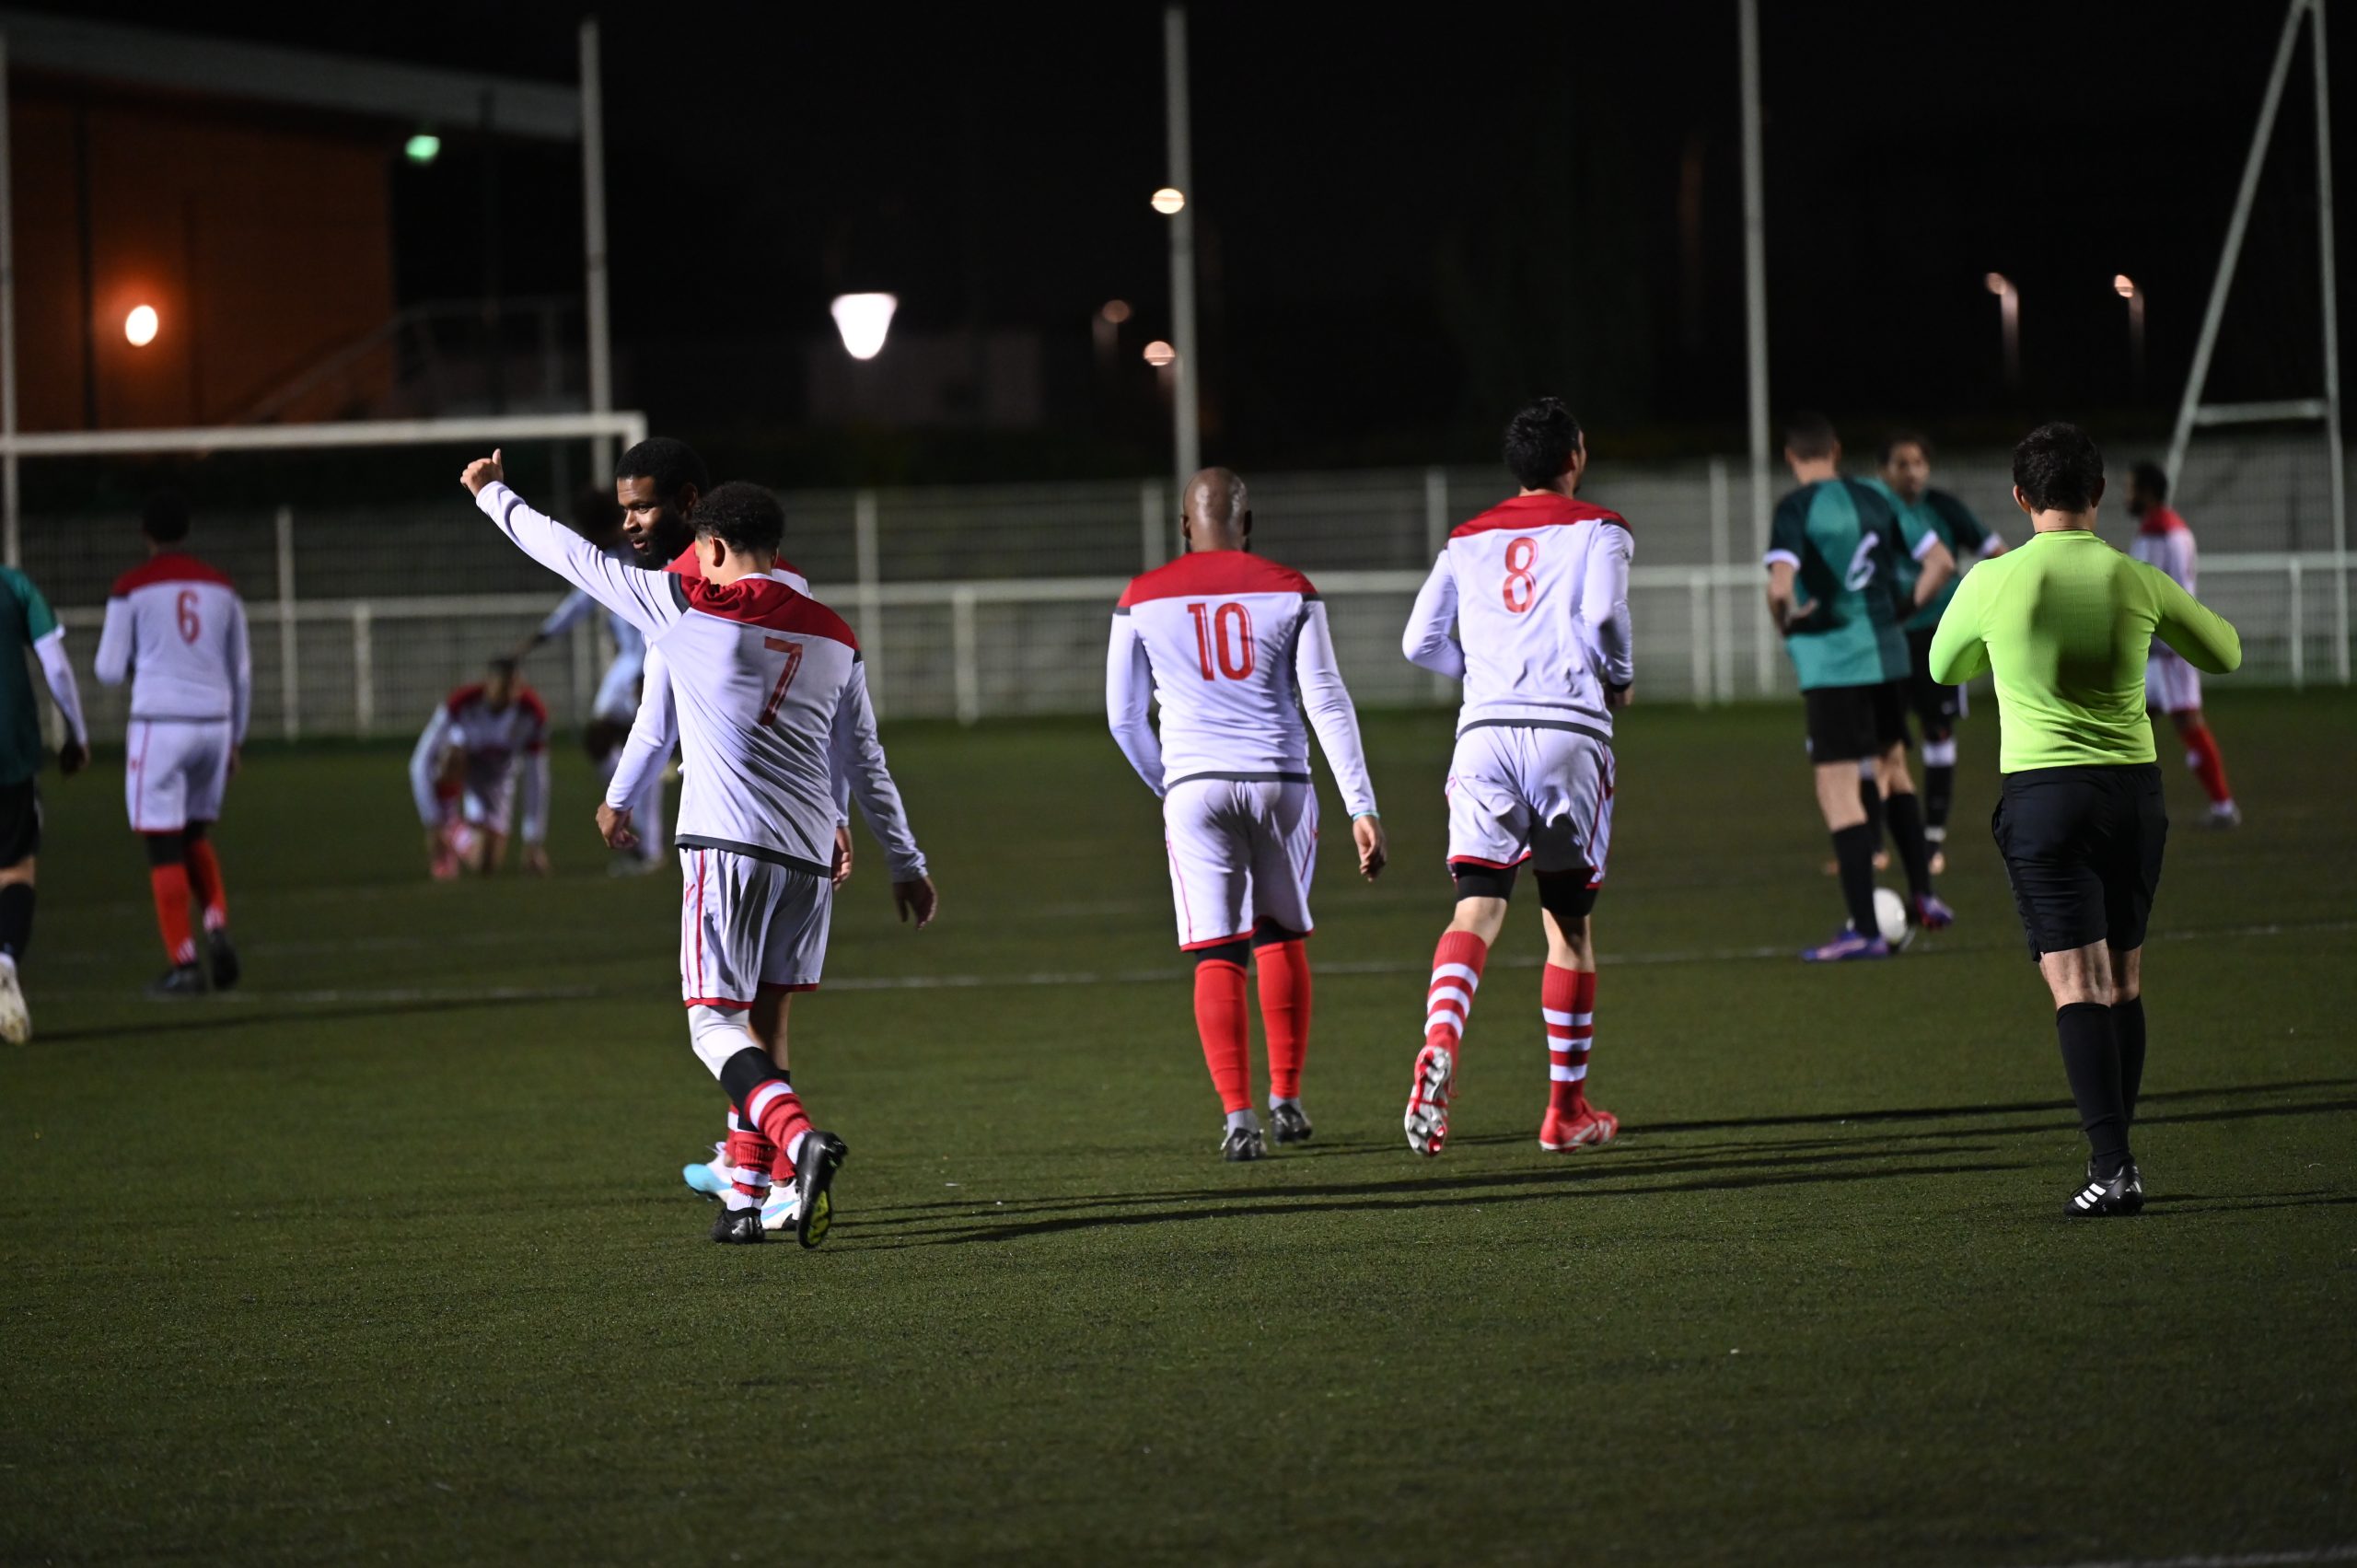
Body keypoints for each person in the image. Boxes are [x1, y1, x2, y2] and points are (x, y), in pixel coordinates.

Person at [463, 452, 937, 1249]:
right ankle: (748, 1197)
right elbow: (863, 756)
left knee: (713, 1024)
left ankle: (796, 1144)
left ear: (710, 544)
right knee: (764, 1022)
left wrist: (492, 495)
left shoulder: (684, 603)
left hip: (726, 844)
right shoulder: (835, 632)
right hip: (810, 859)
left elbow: (568, 555)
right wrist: (907, 861)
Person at [1930, 423, 2241, 1216]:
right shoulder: (2135, 577)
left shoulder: (1993, 580)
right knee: (2123, 982)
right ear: (2098, 493)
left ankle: (2113, 1167)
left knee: (2076, 984)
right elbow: (2226, 653)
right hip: (2135, 796)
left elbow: (1943, 665)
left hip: (2047, 797)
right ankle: (2118, 1157)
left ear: (2020, 497)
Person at [1106, 467, 1387, 1161]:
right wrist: (1361, 803)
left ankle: (1239, 1119)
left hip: (1195, 785)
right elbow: (1325, 697)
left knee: (1217, 949)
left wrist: (1171, 785)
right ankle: (1286, 1100)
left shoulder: (1141, 596)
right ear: (1248, 523)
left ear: (1183, 526)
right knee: (1279, 934)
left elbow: (1123, 717)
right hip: (1280, 780)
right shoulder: (1290, 587)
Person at [1398, 398, 1631, 1157]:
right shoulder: (1600, 527)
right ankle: (1565, 1113)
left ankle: (1440, 1036)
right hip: (1568, 734)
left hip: (1484, 737)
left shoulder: (1466, 538)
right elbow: (1604, 616)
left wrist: (1481, 674)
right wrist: (1619, 676)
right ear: (1575, 456)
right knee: (1568, 923)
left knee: (1475, 909)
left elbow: (1418, 641)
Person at [1764, 412, 1956, 961]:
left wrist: (1787, 625)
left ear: (1791, 457)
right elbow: (1941, 562)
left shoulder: (1796, 508)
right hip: (1888, 656)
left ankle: (1865, 929)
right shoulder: (1876, 495)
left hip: (1835, 666)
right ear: (1836, 449)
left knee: (1837, 788)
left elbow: (1780, 588)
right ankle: (1925, 896)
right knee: (1893, 768)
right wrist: (1901, 612)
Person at [94, 492, 250, 997]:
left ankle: (184, 964)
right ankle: (217, 925)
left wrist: (147, 661)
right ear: (186, 532)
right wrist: (237, 737)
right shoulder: (221, 586)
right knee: (195, 835)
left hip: (160, 723)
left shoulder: (132, 587)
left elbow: (108, 669)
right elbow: (242, 672)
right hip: (215, 724)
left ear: (146, 534)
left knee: (163, 845)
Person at [516, 486, 668, 872]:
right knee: (607, 742)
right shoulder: (611, 557)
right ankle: (642, 827)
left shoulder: (642, 557)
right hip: (629, 664)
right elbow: (581, 601)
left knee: (639, 746)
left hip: (650, 661)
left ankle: (649, 845)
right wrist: (539, 638)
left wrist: (649, 673)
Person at [1876, 432, 2005, 872]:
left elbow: (1998, 554)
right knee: (1883, 741)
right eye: (1901, 463)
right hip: (1889, 638)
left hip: (1939, 635)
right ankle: (1874, 843)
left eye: (1918, 463)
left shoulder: (1945, 509)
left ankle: (1932, 838)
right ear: (1884, 470)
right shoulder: (1875, 512)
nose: (1912, 472)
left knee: (1938, 731)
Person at [0, 563, 90, 1041]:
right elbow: (55, 665)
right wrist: (78, 732)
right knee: (15, 870)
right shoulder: (13, 586)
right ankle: (4, 959)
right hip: (9, 753)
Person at [2127, 461, 2241, 828]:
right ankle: (2119, 805)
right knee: (2131, 723)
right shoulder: (2175, 529)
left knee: (2177, 723)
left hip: (2166, 652)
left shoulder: (2158, 533)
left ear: (2147, 492)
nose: (2127, 496)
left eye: (2131, 488)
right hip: (2166, 649)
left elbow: (2147, 589)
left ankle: (2223, 807)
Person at [408, 658, 551, 878]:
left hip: (498, 779)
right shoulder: (461, 702)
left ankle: (453, 830)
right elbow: (421, 761)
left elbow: (536, 778)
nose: (510, 694)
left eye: (515, 687)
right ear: (489, 684)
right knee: (452, 756)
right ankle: (445, 822)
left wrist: (533, 841)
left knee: (485, 863)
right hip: (462, 769)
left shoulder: (532, 713)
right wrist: (432, 822)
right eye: (504, 687)